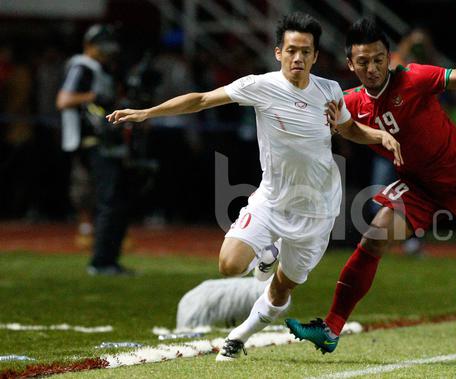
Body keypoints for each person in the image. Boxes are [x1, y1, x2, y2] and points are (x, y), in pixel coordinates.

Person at [106, 12, 402, 361]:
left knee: (281, 289)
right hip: (272, 201)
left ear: (316, 56)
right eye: (291, 50)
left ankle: (238, 336)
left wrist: (378, 135)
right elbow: (201, 99)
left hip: (318, 209)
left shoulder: (330, 90)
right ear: (278, 52)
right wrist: (145, 113)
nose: (298, 58)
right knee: (229, 264)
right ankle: (267, 253)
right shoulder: (259, 86)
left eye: (306, 51)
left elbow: (349, 129)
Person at [286, 18, 456, 359]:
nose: (372, 68)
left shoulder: (414, 77)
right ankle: (331, 328)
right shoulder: (349, 102)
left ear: (388, 57)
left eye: (378, 59)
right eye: (363, 62)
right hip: (418, 186)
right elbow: (316, 115)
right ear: (351, 64)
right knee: (374, 236)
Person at [56, 24, 130, 275]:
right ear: (90, 45)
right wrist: (93, 97)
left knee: (115, 199)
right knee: (108, 200)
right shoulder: (82, 66)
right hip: (91, 141)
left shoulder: (101, 68)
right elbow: (64, 100)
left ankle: (109, 259)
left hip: (104, 141)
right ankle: (101, 261)